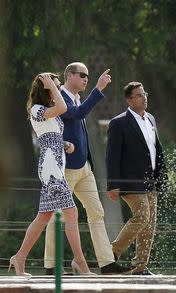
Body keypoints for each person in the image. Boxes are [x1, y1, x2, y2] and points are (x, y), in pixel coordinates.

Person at [43, 62, 128, 275]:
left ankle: (106, 263)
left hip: (83, 167)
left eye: (88, 77)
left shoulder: (76, 97)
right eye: (82, 75)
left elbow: (79, 112)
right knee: (57, 215)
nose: (86, 79)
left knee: (96, 212)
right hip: (65, 168)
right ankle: (52, 266)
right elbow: (77, 113)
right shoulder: (57, 96)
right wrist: (97, 89)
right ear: (69, 75)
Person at [10, 73, 94, 276]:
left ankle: (19, 258)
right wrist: (51, 85)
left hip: (54, 163)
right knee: (71, 212)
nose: (58, 89)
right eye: (55, 86)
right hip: (50, 168)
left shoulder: (47, 112)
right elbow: (63, 108)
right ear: (46, 89)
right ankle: (80, 262)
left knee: (44, 216)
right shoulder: (37, 109)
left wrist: (64, 144)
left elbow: (49, 135)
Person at [106, 81, 168, 275]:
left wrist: (162, 180)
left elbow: (157, 151)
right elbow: (112, 156)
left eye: (145, 93)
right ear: (129, 100)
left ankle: (140, 267)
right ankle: (110, 254)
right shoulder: (119, 123)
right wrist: (113, 185)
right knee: (142, 217)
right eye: (139, 95)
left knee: (149, 224)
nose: (144, 97)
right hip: (130, 181)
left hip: (151, 181)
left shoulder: (150, 119)